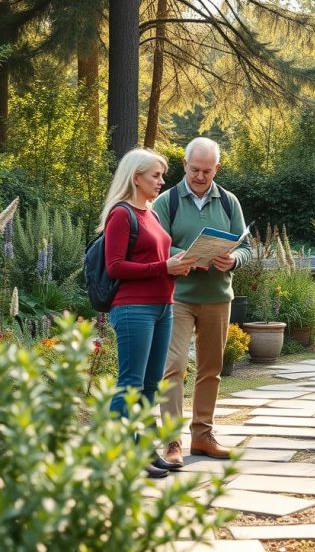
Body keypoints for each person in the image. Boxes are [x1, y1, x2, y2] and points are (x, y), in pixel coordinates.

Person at [99, 148, 196, 478]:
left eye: (161, 174)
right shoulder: (121, 214)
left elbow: (158, 262)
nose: (161, 180)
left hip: (162, 307)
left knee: (151, 385)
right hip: (133, 308)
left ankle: (142, 451)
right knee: (131, 384)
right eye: (155, 175)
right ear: (135, 177)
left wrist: (179, 266)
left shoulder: (151, 214)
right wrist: (163, 267)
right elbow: (114, 267)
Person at [155, 137, 251, 464]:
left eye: (207, 171)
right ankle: (171, 443)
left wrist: (234, 259)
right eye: (194, 169)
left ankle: (203, 436)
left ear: (217, 169)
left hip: (217, 297)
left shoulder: (229, 202)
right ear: (184, 165)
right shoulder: (166, 202)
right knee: (174, 367)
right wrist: (180, 255)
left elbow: (246, 247)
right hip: (177, 298)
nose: (199, 176)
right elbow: (152, 249)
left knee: (211, 369)